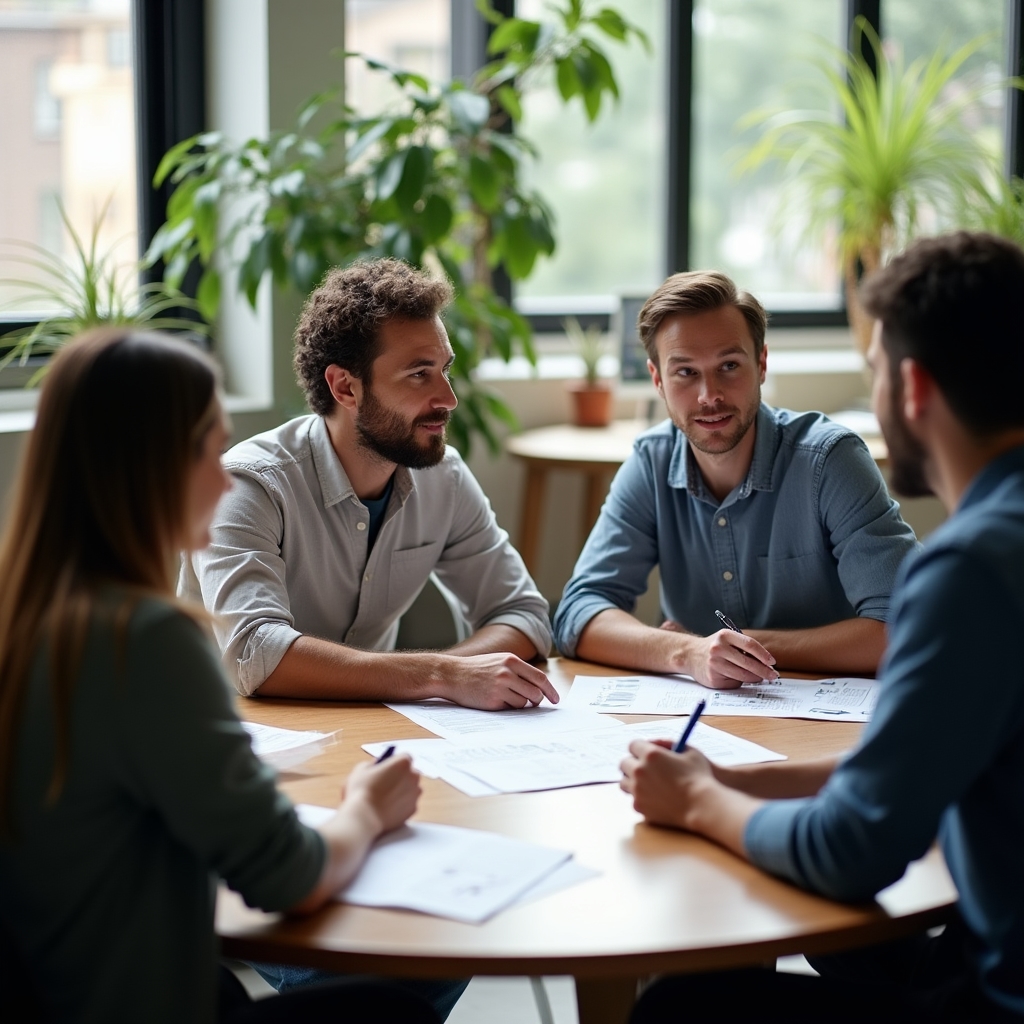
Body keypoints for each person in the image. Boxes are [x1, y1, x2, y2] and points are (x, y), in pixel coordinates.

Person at [621, 232, 1024, 1022]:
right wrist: (730, 780)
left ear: (910, 388)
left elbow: (850, 853)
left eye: (872, 370)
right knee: (859, 949)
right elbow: (907, 767)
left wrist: (702, 803)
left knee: (684, 1008)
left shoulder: (972, 569)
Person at [0, 328, 440, 1023]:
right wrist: (366, 807)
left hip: (58, 985)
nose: (226, 476)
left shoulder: (26, 614)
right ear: (150, 465)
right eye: (211, 448)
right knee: (399, 1006)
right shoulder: (144, 640)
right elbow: (287, 877)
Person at [181, 258, 557, 709]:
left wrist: (454, 675)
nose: (448, 399)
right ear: (345, 388)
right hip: (229, 736)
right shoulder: (249, 485)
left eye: (444, 369)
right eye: (419, 374)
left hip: (372, 729)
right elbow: (255, 652)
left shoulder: (445, 479)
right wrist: (442, 675)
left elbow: (524, 615)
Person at [553, 270, 917, 687]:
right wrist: (687, 652)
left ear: (761, 364)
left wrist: (740, 647)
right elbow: (578, 613)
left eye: (728, 365)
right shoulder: (651, 462)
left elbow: (906, 626)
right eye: (685, 372)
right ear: (657, 380)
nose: (709, 395)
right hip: (700, 722)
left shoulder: (830, 460)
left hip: (829, 718)